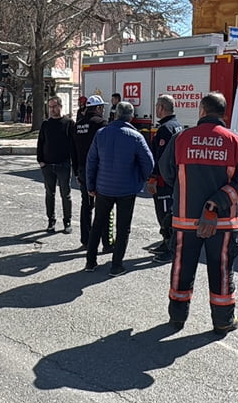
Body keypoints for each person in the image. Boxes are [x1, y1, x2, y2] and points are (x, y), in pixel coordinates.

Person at [159, 92, 238, 334]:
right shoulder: (235, 141)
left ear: (201, 111)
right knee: (221, 269)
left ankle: (177, 317)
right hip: (223, 223)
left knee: (182, 267)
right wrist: (217, 202)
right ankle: (223, 320)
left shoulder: (181, 138)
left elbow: (166, 172)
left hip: (185, 219)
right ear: (223, 113)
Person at [85, 101, 153, 277]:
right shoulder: (136, 136)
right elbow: (149, 163)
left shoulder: (101, 134)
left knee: (98, 223)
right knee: (123, 228)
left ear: (115, 115)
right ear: (131, 117)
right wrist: (141, 179)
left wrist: (90, 185)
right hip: (127, 190)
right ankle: (116, 266)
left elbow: (91, 161)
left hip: (103, 188)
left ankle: (90, 262)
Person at [146, 95, 184, 263]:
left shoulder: (164, 129)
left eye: (157, 106)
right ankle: (165, 243)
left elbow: (160, 158)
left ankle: (170, 248)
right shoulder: (177, 126)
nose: (156, 109)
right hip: (173, 179)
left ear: (161, 108)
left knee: (164, 215)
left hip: (164, 181)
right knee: (169, 213)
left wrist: (153, 178)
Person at [72, 95, 111, 251]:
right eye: (102, 108)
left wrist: (76, 172)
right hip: (100, 170)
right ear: (99, 108)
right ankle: (106, 243)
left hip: (83, 170)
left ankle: (86, 239)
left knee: (86, 205)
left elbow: (73, 151)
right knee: (104, 207)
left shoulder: (77, 125)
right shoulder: (102, 124)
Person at [36, 96, 75, 233]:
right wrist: (40, 160)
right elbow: (40, 143)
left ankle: (67, 222)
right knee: (49, 194)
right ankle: (51, 221)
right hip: (47, 165)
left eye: (54, 106)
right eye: (50, 107)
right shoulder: (46, 124)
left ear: (60, 106)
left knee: (66, 194)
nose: (52, 110)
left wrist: (74, 164)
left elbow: (74, 145)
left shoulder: (69, 123)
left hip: (63, 164)